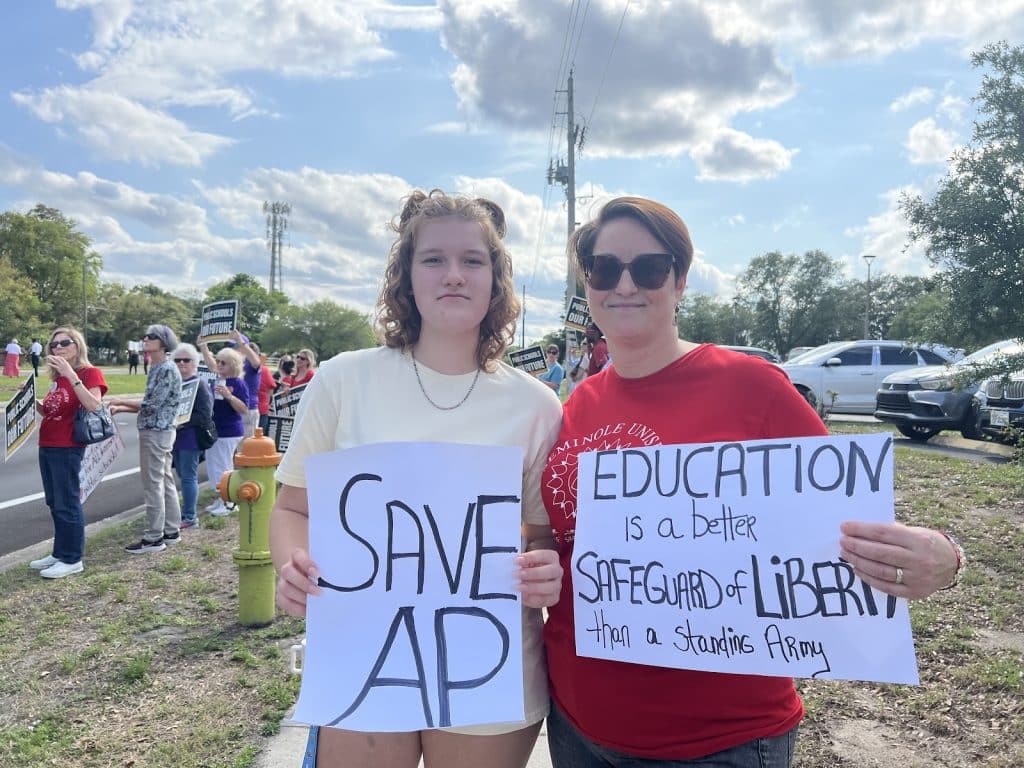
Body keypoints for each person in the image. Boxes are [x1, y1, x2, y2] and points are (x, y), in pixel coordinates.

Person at [539, 196, 966, 768]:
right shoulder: (574, 406)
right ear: (587, 281)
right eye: (604, 267)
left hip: (722, 741)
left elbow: (849, 520)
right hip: (579, 727)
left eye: (649, 268)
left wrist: (945, 556)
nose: (624, 284)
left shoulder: (752, 387)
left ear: (681, 281)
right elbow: (558, 543)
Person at [270, 189, 564, 768]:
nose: (453, 274)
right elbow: (292, 510)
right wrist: (292, 566)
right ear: (406, 275)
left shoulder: (537, 406)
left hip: (489, 677)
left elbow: (539, 535)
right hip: (364, 662)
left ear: (496, 278)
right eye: (433, 259)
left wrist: (544, 570)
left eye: (472, 260)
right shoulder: (342, 381)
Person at [29, 327, 108, 579]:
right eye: (54, 345)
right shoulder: (57, 378)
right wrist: (31, 400)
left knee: (67, 501)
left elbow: (94, 404)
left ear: (78, 346)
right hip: (48, 443)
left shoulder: (88, 372)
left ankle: (73, 558)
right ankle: (59, 552)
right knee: (54, 501)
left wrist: (71, 375)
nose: (58, 348)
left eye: (65, 343)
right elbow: (50, 411)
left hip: (68, 446)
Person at [110, 324, 183, 553]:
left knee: (153, 484)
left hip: (157, 432)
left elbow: (152, 405)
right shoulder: (157, 367)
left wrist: (121, 402)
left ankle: (154, 538)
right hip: (158, 429)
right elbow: (151, 405)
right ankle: (171, 530)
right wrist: (121, 408)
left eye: (151, 337)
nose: (145, 339)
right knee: (164, 480)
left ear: (163, 342)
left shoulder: (167, 369)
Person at [171, 343, 214, 529]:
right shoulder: (175, 383)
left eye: (186, 360)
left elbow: (205, 415)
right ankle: (185, 513)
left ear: (194, 363)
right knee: (181, 474)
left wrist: (183, 422)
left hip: (191, 437)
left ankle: (190, 517)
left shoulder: (200, 384)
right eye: (177, 360)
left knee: (188, 476)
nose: (181, 363)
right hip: (174, 438)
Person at [204, 347, 249, 517]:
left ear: (233, 365)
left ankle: (229, 502)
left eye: (224, 362)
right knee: (214, 467)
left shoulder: (237, 383)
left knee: (223, 467)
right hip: (216, 430)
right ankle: (221, 498)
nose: (219, 365)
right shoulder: (216, 381)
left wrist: (229, 396)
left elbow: (244, 408)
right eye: (219, 361)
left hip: (229, 431)